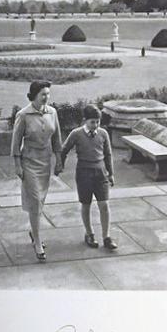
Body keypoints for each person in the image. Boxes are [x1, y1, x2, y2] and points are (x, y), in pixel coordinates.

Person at [10, 80, 63, 262]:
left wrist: (59, 160)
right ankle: (38, 242)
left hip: (45, 162)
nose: (46, 97)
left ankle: (34, 232)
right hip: (29, 162)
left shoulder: (52, 112)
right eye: (43, 94)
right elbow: (15, 142)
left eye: (48, 94)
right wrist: (17, 165)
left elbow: (57, 138)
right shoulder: (23, 115)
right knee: (35, 201)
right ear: (34, 95)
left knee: (41, 200)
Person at [58, 105, 119, 250]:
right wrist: (60, 165)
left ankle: (107, 236)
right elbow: (64, 150)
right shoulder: (76, 134)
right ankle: (89, 233)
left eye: (98, 122)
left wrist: (111, 173)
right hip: (84, 173)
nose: (95, 125)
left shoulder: (103, 134)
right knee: (86, 204)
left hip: (101, 173)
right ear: (85, 121)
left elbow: (108, 154)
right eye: (92, 122)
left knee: (104, 205)